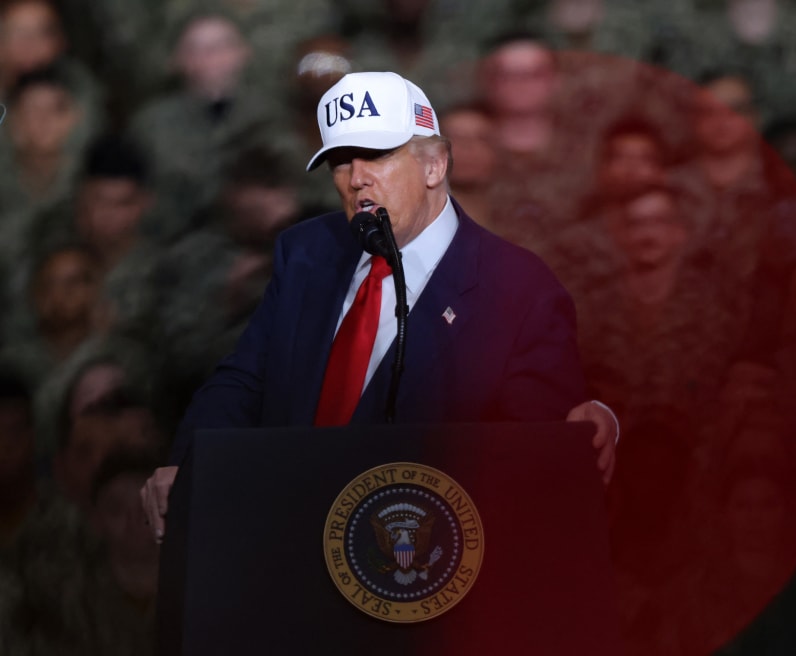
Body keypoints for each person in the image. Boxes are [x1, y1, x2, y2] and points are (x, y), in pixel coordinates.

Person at [141, 71, 617, 541]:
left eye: (375, 155)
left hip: (420, 569)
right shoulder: (307, 252)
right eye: (341, 163)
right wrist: (185, 462)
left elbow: (535, 466)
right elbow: (246, 378)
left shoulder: (518, 288)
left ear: (434, 166)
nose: (356, 179)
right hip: (286, 544)